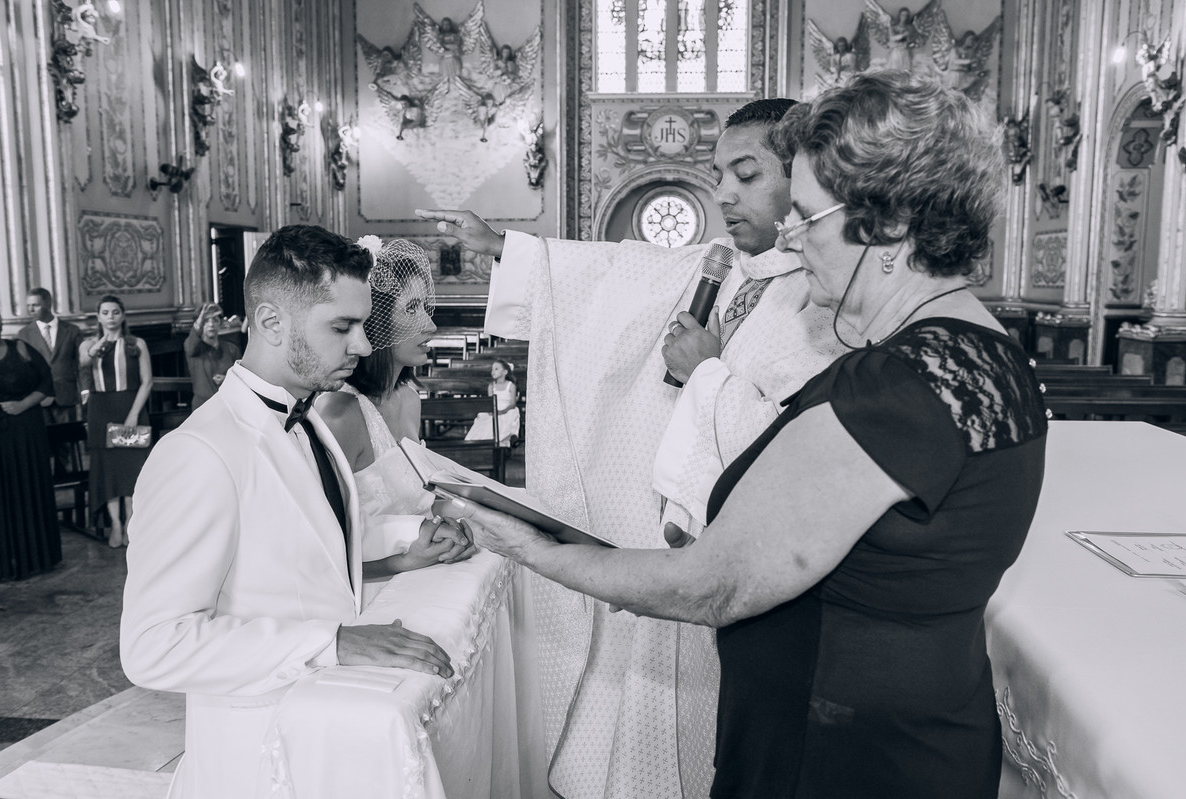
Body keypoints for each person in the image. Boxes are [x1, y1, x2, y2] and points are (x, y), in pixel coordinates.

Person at [456, 71, 1048, 799]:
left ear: (886, 222)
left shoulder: (896, 386)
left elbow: (715, 583)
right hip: (918, 726)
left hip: (834, 754)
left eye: (807, 216)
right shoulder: (985, 355)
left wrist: (527, 545)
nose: (794, 239)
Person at [417, 97, 847, 798]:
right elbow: (617, 270)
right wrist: (505, 246)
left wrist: (703, 370)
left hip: (740, 574)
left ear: (804, 179)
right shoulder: (729, 268)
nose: (724, 193)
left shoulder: (826, 302)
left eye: (747, 173)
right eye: (718, 174)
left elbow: (797, 455)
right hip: (669, 550)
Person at [120, 225, 455, 799]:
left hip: (328, 733)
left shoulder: (312, 419)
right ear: (272, 322)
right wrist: (332, 642)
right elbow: (154, 646)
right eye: (342, 327)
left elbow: (307, 538)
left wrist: (407, 539)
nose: (364, 345)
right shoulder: (198, 454)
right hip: (256, 754)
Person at [317, 236, 475, 591]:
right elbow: (320, 553)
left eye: (426, 307)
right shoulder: (339, 415)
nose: (430, 325)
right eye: (411, 308)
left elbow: (421, 502)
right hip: (370, 591)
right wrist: (404, 562)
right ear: (375, 322)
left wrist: (463, 526)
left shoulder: (409, 398)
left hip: (427, 572)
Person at [0, 298, 62, 584]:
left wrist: (23, 404)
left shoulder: (20, 347)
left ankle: (35, 557)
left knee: (30, 488)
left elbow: (46, 382)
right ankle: (1, 562)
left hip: (28, 434)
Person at [78, 294, 153, 548]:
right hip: (101, 411)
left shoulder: (137, 343)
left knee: (131, 468)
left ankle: (131, 520)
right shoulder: (88, 343)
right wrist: (97, 347)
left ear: (123, 315)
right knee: (107, 470)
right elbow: (84, 361)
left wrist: (133, 413)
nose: (111, 317)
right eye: (105, 313)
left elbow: (147, 381)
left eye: (115, 312)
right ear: (98, 317)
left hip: (131, 407)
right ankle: (115, 524)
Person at [17, 287, 83, 424]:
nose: (31, 310)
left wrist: (85, 390)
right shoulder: (24, 334)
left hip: (66, 395)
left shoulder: (72, 330)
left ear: (48, 304)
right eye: (28, 306)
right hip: (39, 398)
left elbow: (81, 364)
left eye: (35, 305)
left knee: (69, 439)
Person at [183, 301, 241, 410]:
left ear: (220, 323)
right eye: (206, 321)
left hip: (228, 406)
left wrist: (228, 380)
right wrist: (199, 320)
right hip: (202, 407)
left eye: (215, 320)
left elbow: (241, 379)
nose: (211, 324)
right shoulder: (193, 348)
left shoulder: (232, 349)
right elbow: (191, 345)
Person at [464, 359, 520, 445]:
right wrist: (493, 411)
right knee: (485, 418)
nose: (493, 371)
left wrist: (503, 411)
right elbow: (490, 402)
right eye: (492, 369)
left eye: (496, 369)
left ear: (505, 372)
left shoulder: (511, 386)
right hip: (494, 409)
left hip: (507, 410)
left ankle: (509, 437)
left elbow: (512, 404)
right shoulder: (491, 386)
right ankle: (481, 440)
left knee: (512, 414)